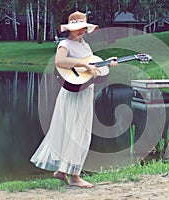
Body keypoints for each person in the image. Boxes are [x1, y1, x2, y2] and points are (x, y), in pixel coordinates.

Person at [30, 11, 117, 188]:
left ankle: (63, 172)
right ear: (70, 29)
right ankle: (75, 177)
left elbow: (91, 67)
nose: (81, 31)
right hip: (72, 94)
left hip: (85, 91)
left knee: (79, 132)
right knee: (77, 132)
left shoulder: (85, 47)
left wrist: (106, 64)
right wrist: (83, 64)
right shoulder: (65, 44)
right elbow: (60, 61)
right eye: (77, 28)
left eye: (83, 28)